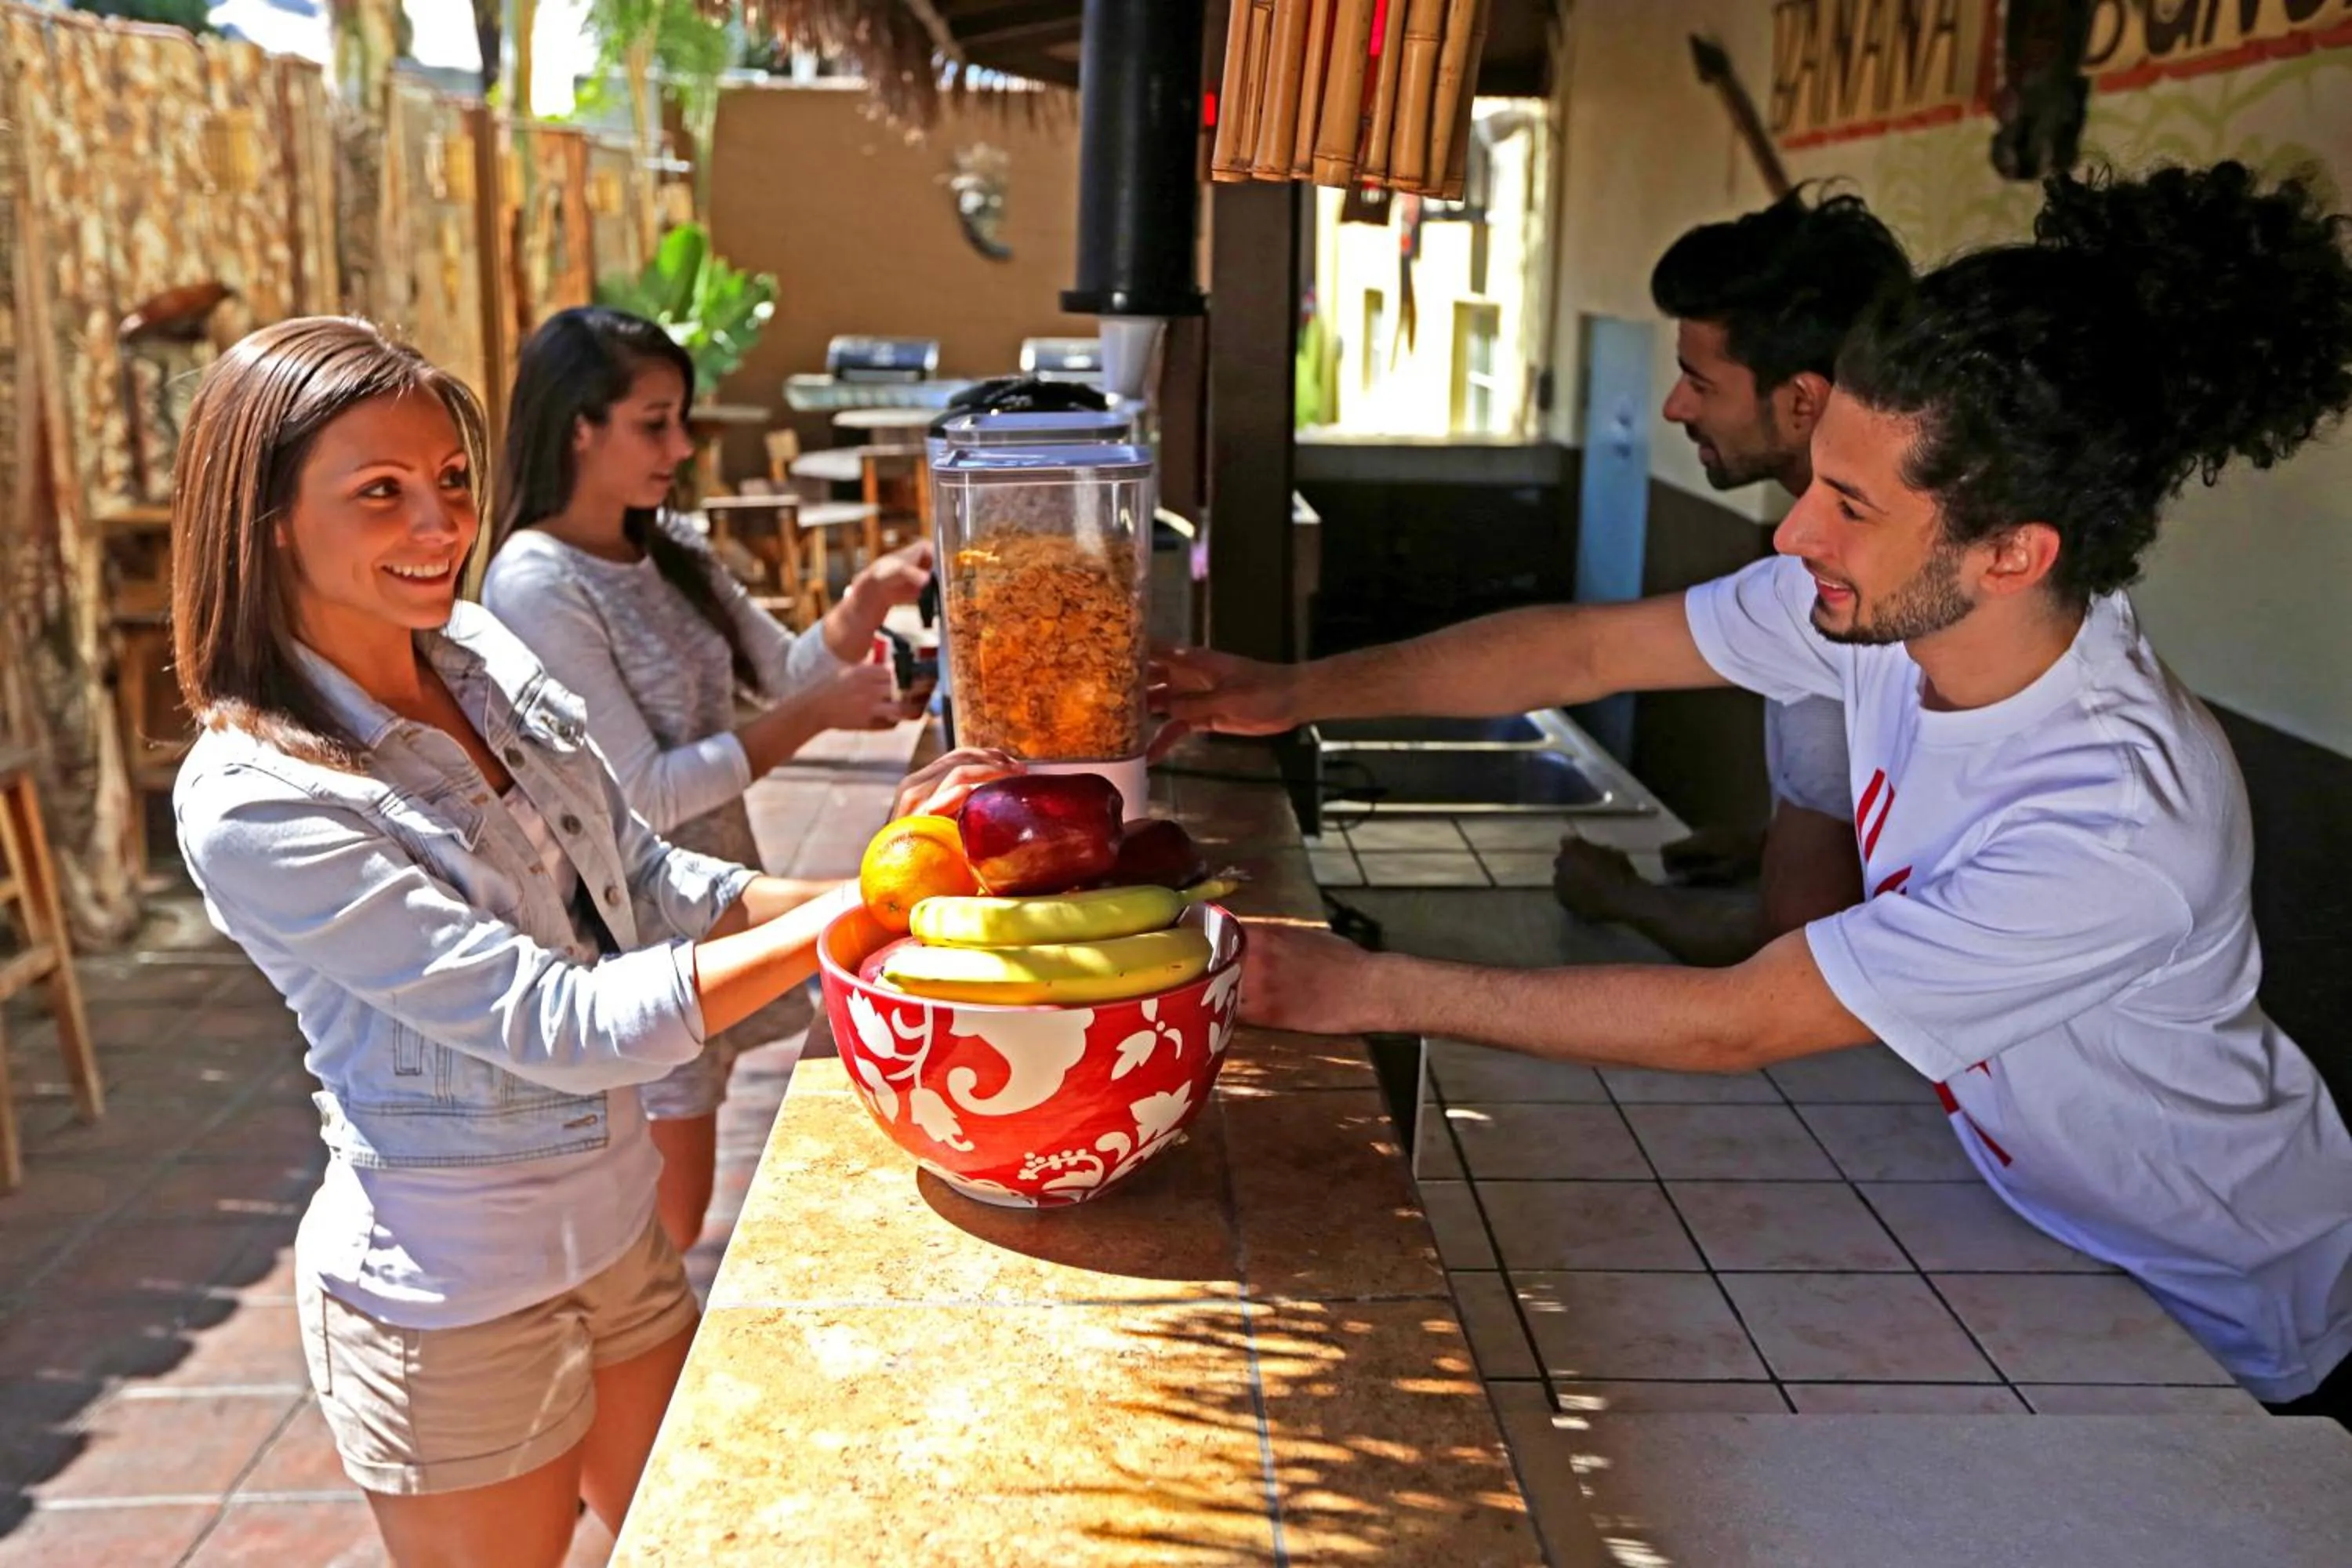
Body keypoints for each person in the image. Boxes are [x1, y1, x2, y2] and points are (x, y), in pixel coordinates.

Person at [1157, 162, 2352, 1421]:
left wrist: (1371, 988)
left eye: (1849, 505)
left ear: (2012, 553)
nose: (1796, 538)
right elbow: (1588, 650)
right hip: (2063, 1238)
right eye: (1819, 478)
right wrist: (1290, 692)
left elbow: (1738, 1020)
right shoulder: (1886, 618)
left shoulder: (2110, 819)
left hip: (2258, 1313)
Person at [170, 316, 1013, 1563]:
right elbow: (554, 1025)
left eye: (451, 482)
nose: (439, 526)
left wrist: (899, 878)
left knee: (703, 1543)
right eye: (381, 493)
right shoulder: (258, 797)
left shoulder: (475, 661)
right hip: (450, 1304)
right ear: (271, 520)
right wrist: (871, 908)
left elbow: (647, 878)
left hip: (620, 1245)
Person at [482, 306, 934, 1251]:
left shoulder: (668, 548)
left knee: (665, 1218)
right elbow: (635, 794)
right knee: (664, 1224)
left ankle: (620, 1369)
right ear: (578, 426)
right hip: (630, 942)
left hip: (716, 903)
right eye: (655, 422)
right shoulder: (534, 583)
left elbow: (782, 672)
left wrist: (866, 601)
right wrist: (819, 715)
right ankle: (613, 1384)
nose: (681, 445)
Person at [1553, 189, 1910, 965]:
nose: (1676, 406)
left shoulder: (1856, 603)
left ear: (1801, 401)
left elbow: (1786, 954)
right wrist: (1764, 845)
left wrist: (1619, 897)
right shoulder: (1838, 577)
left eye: (1700, 381)